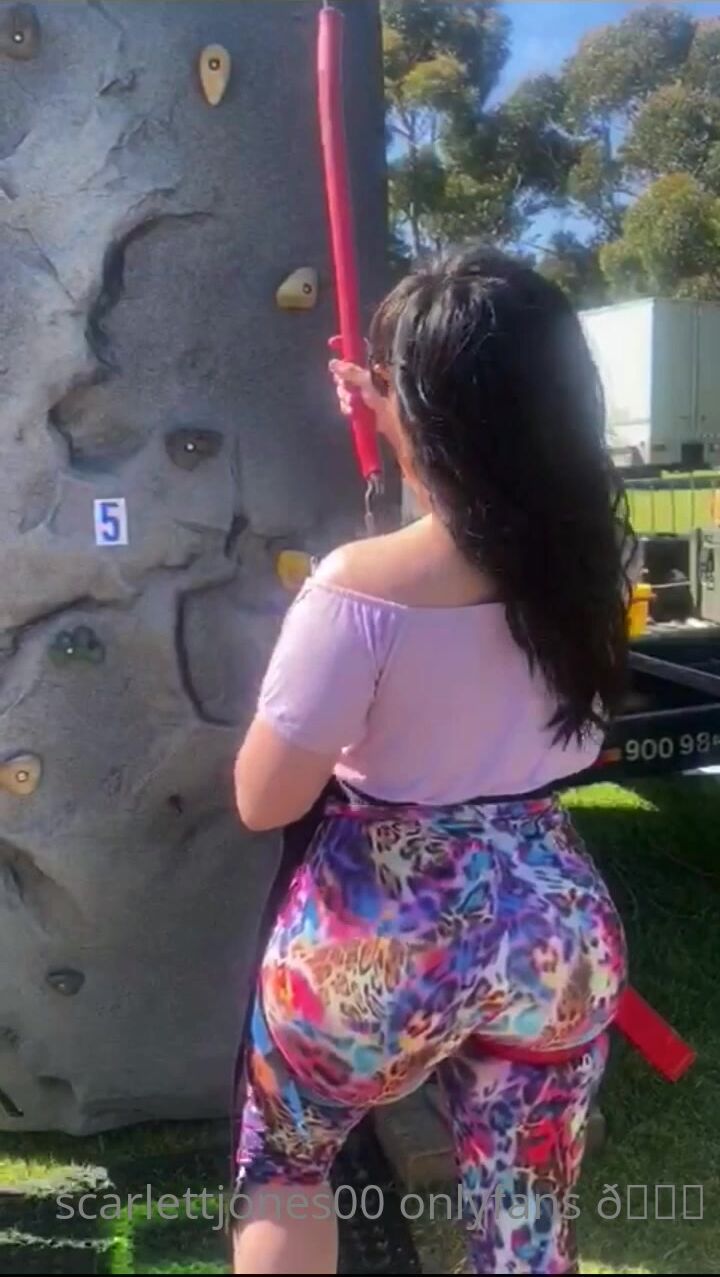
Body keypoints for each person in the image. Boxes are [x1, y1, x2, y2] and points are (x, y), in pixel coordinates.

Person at [231, 247, 631, 1275]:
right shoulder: (591, 565)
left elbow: (264, 797)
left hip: (380, 937)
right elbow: (581, 735)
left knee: (288, 1164)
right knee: (525, 1205)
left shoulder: (356, 589)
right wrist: (398, 413)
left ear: (419, 408)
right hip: (553, 926)